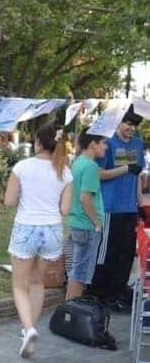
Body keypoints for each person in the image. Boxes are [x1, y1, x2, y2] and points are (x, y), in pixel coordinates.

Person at [4, 123, 72, 358]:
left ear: (39, 143)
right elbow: (64, 209)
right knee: (37, 283)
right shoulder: (65, 172)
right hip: (52, 230)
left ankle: (29, 328)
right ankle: (29, 330)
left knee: (19, 285)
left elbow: (9, 201)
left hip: (27, 228)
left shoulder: (22, 167)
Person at [88, 107, 146, 311]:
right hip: (110, 207)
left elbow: (137, 176)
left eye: (134, 125)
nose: (131, 128)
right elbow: (100, 174)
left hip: (129, 207)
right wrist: (126, 168)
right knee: (107, 254)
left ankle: (117, 294)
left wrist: (140, 204)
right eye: (128, 123)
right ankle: (98, 294)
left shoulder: (138, 143)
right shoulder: (108, 143)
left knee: (126, 254)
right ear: (119, 122)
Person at [66, 128, 107, 300]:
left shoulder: (78, 162)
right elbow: (85, 198)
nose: (105, 147)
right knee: (81, 274)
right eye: (103, 142)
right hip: (87, 225)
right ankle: (72, 312)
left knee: (77, 269)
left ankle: (68, 308)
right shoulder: (90, 166)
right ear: (93, 144)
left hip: (76, 222)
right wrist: (96, 222)